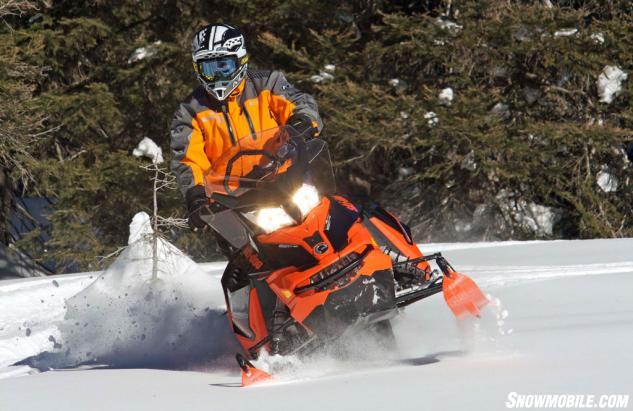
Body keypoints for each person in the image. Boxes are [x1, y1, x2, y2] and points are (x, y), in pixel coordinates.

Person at [170, 23, 322, 232]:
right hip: (233, 204)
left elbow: (299, 103)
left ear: (240, 61)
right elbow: (188, 161)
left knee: (329, 223)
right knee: (249, 261)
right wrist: (196, 196)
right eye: (209, 68)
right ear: (198, 69)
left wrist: (302, 122)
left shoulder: (267, 84)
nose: (218, 76)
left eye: (224, 66)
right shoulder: (190, 111)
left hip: (286, 181)